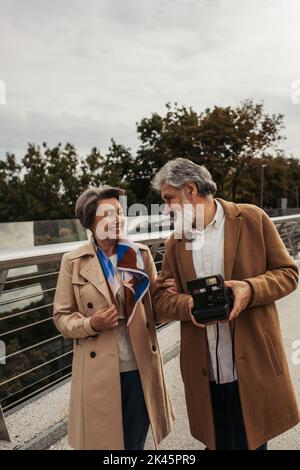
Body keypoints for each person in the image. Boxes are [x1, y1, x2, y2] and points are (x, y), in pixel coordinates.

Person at [152, 157, 299, 450]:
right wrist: (188, 305)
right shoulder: (175, 242)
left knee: (254, 442)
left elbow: (289, 273)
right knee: (215, 443)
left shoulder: (252, 218)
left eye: (169, 199)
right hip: (205, 371)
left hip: (252, 364)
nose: (166, 208)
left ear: (191, 190)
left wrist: (250, 288)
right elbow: (160, 301)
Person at [53, 186, 175, 450]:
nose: (118, 219)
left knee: (133, 446)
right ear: (91, 222)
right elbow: (61, 317)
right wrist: (90, 324)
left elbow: (155, 307)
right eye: (108, 214)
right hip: (97, 373)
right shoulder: (73, 261)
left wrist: (166, 293)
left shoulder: (139, 254)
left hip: (140, 366)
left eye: (120, 212)